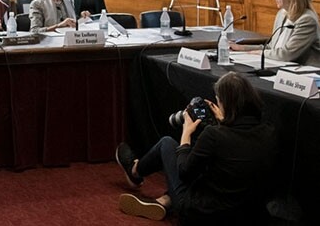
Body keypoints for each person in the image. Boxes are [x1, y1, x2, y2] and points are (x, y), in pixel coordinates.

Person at [115, 72, 277, 223]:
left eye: (219, 101)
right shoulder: (269, 132)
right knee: (210, 165)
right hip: (248, 215)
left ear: (225, 104)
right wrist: (225, 123)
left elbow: (184, 173)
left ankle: (135, 172)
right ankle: (164, 201)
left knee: (167, 143)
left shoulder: (213, 135)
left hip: (203, 214)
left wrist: (186, 134)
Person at [230, 0, 320, 66]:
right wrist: (242, 48)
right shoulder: (282, 14)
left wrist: (260, 53)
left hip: (306, 73)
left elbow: (286, 55)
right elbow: (272, 47)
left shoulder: (307, 20)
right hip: (281, 66)